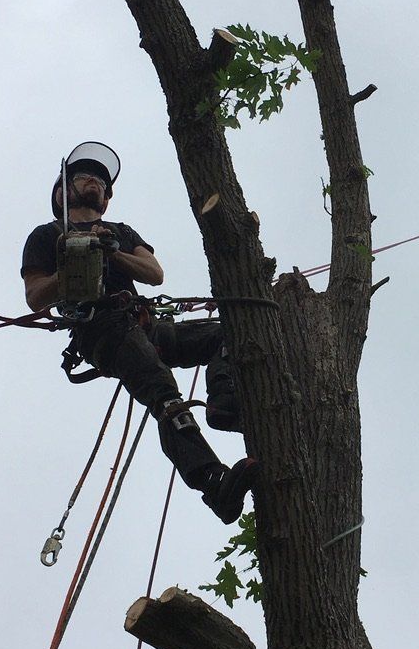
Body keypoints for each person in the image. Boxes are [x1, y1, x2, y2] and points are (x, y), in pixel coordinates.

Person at [21, 141, 258, 524]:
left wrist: (111, 251)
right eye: (85, 176)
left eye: (102, 182)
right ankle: (213, 482)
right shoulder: (47, 235)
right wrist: (71, 268)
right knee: (162, 392)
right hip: (100, 329)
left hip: (145, 323)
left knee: (226, 332)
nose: (96, 183)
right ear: (63, 192)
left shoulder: (121, 232)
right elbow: (35, 296)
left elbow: (154, 273)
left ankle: (225, 402)